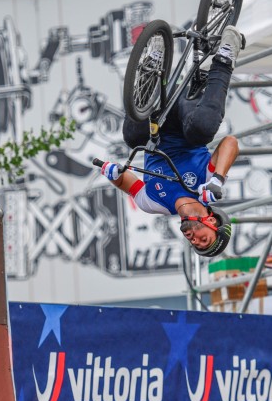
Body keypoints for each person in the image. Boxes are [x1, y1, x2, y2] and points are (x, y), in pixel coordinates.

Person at [99, 26, 245, 258]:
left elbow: (125, 181)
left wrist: (112, 172)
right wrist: (217, 180)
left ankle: (152, 65)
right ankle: (225, 58)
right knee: (202, 131)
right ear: (212, 219)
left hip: (155, 123)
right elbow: (230, 143)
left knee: (132, 138)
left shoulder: (155, 204)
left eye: (195, 244)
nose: (194, 239)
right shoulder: (205, 187)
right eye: (203, 239)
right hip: (187, 115)